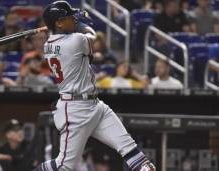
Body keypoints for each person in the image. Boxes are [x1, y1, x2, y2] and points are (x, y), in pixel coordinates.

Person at [35, 1, 156, 171]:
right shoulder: (75, 41)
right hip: (75, 110)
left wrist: (68, 24)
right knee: (63, 166)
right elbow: (92, 36)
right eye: (68, 17)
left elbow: (65, 36)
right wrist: (82, 24)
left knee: (134, 153)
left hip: (96, 106)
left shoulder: (48, 45)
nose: (73, 18)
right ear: (59, 23)